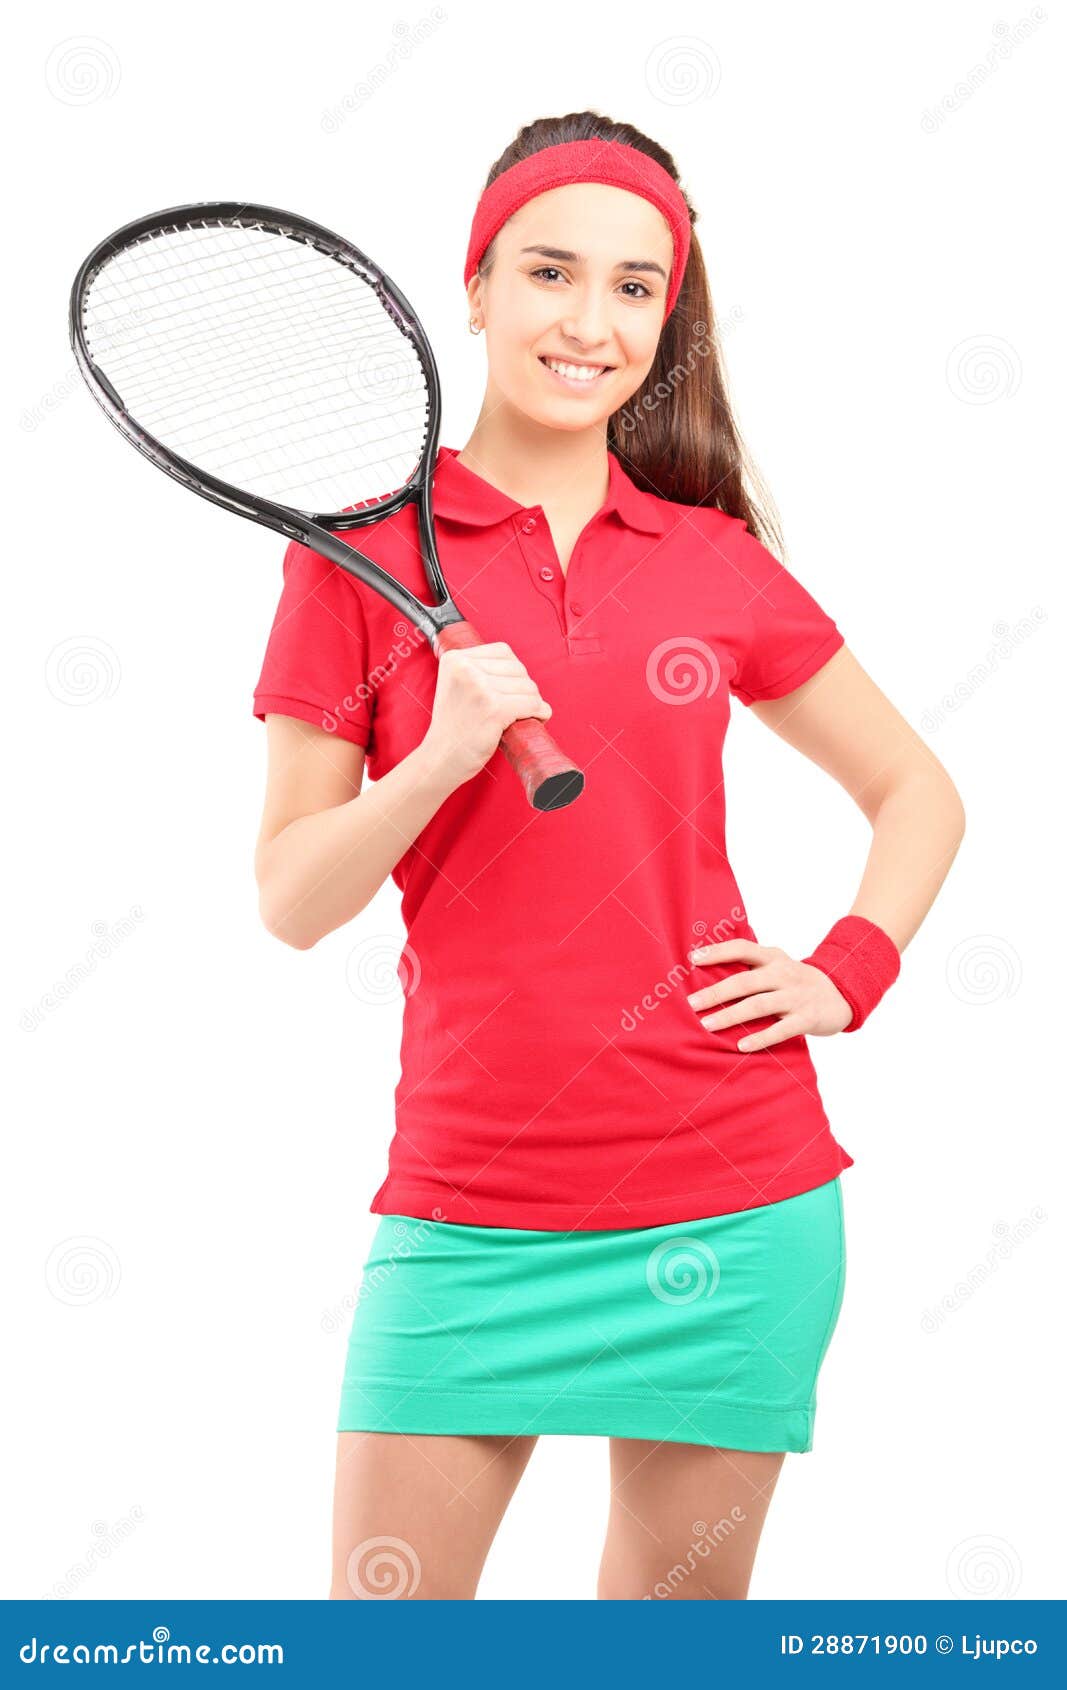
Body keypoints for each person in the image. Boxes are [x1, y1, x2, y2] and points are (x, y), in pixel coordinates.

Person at [251, 111, 965, 1601]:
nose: (591, 323)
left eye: (636, 288)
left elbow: (917, 789)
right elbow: (291, 896)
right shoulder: (357, 559)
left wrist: (845, 970)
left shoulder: (712, 559)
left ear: (668, 316)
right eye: (552, 273)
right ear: (477, 285)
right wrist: (439, 757)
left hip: (735, 1197)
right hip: (465, 1208)